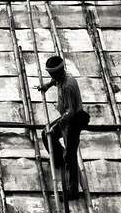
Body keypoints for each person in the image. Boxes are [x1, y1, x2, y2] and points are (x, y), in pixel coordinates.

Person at [36, 55, 90, 200]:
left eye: (52, 74)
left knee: (70, 156)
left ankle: (72, 192)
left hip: (72, 121)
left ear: (58, 72)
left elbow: (70, 112)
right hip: (66, 119)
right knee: (46, 134)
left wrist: (57, 127)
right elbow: (55, 82)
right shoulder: (61, 78)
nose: (51, 77)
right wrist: (46, 86)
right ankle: (59, 159)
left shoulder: (67, 86)